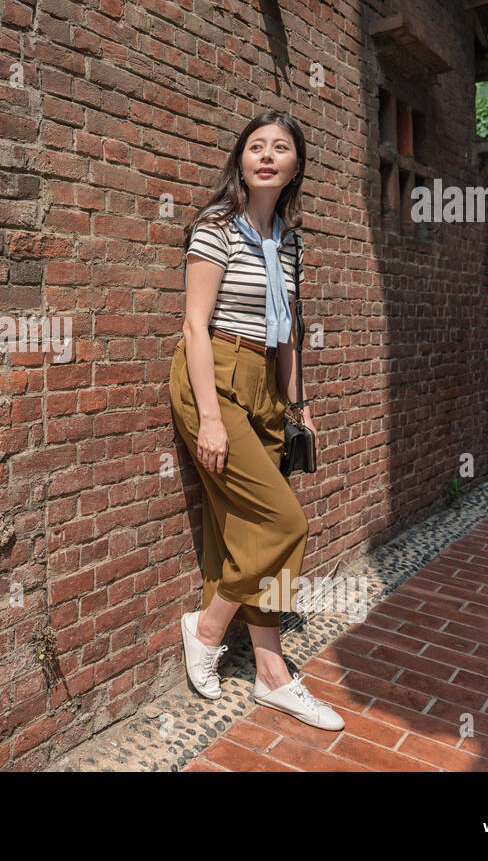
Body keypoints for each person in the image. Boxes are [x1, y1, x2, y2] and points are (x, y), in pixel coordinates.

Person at [169, 109, 344, 731]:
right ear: (240, 160)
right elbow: (194, 325)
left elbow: (289, 329)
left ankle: (271, 672)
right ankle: (208, 628)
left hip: (266, 382)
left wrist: (298, 404)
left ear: (296, 165)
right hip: (213, 375)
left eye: (280, 147)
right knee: (283, 522)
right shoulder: (216, 226)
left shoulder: (290, 242)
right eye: (255, 146)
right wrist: (210, 420)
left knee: (244, 529)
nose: (266, 155)